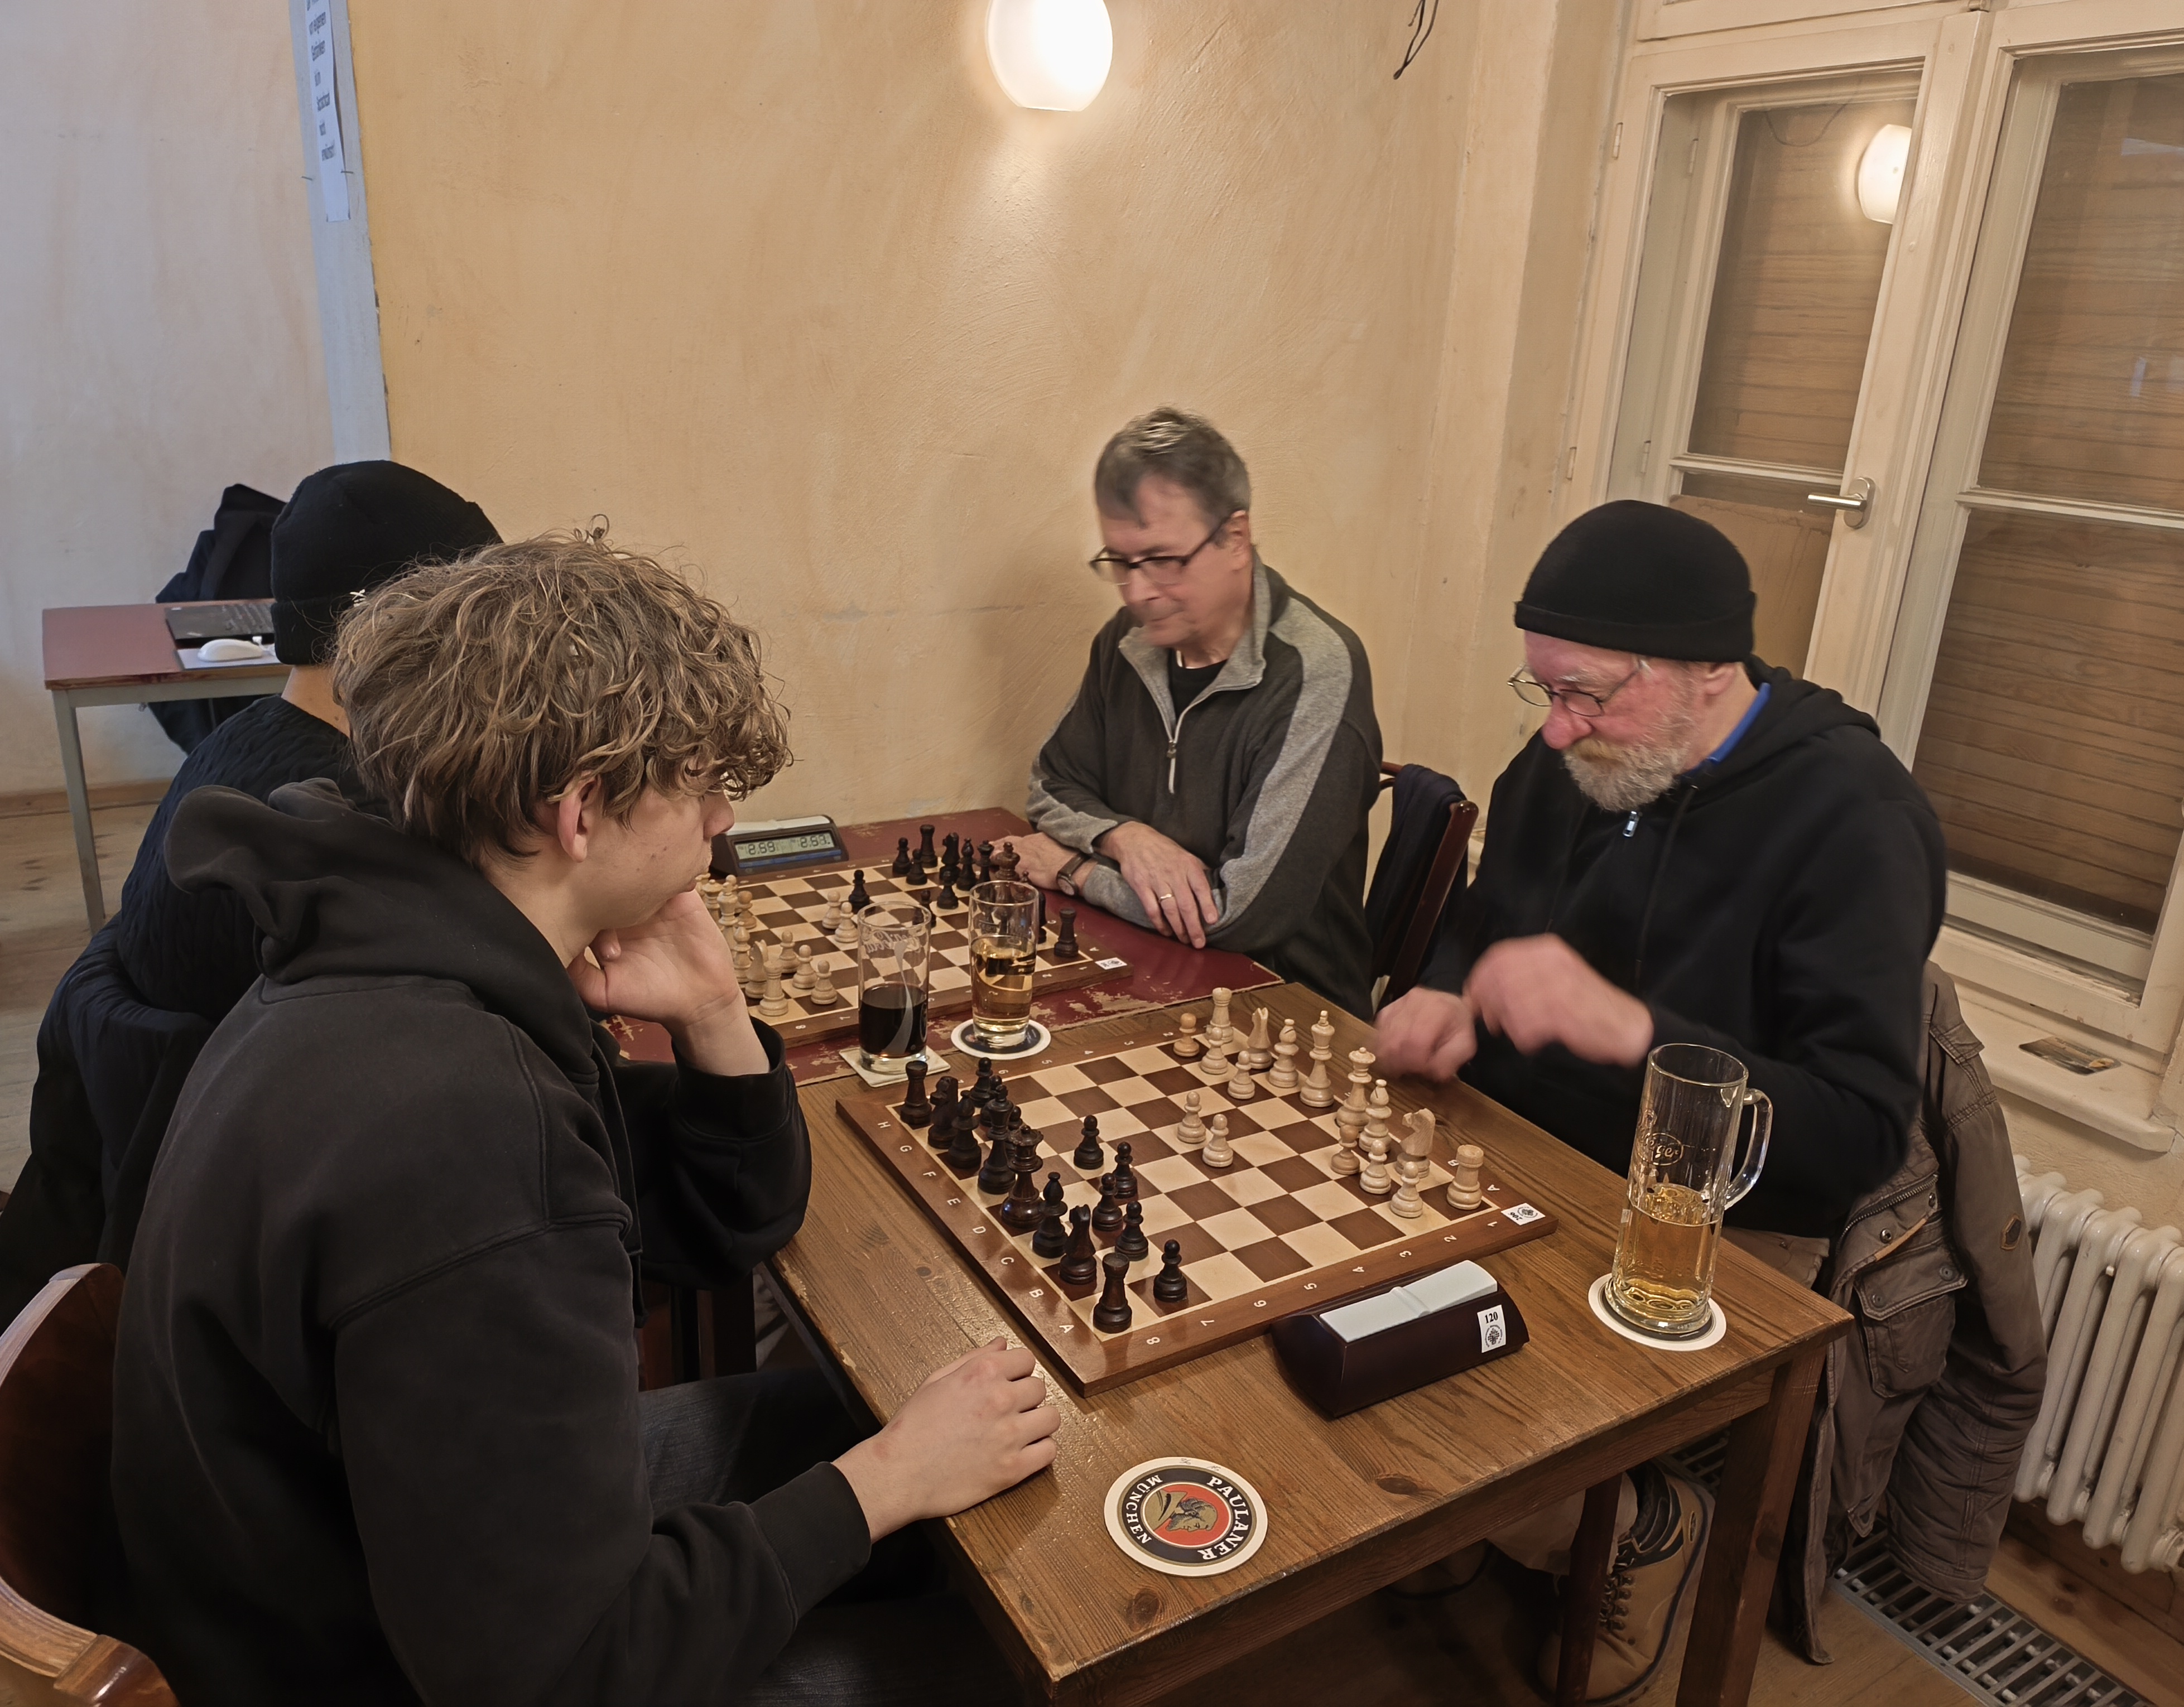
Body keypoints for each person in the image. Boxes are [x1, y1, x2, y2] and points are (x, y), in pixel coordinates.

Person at [108, 533, 1059, 1705]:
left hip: (385, 1557)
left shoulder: (392, 959)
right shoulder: (459, 1125)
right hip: (380, 1665)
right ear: (582, 810)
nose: (720, 822)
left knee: (852, 1425)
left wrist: (716, 1016)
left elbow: (726, 1225)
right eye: (702, 785)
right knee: (1026, 1652)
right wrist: (886, 1483)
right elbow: (568, 1671)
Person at [1373, 499, 1946, 1703]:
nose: (1560, 730)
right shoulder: (1569, 763)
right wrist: (1439, 996)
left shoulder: (1855, 818)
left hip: (1709, 1218)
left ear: (1706, 669)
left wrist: (1634, 1032)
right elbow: (1481, 923)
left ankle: (1633, 1527)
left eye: (1589, 696)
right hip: (1518, 1141)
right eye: (1546, 694)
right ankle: (1496, 1511)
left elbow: (1850, 1138)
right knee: (1325, 1310)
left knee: (1422, 1388)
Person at [0, 461, 499, 1324]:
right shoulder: (347, 823)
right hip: (268, 1263)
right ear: (400, 627)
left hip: (150, 1201)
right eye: (481, 619)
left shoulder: (237, 750)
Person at [1010, 407, 1382, 1016]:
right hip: (1144, 971)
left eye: (1162, 560)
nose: (1138, 592)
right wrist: (1128, 838)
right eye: (1122, 563)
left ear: (1235, 540)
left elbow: (1239, 914)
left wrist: (1077, 869)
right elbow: (1052, 785)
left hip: (1284, 1011)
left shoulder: (1317, 673)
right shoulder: (1128, 641)